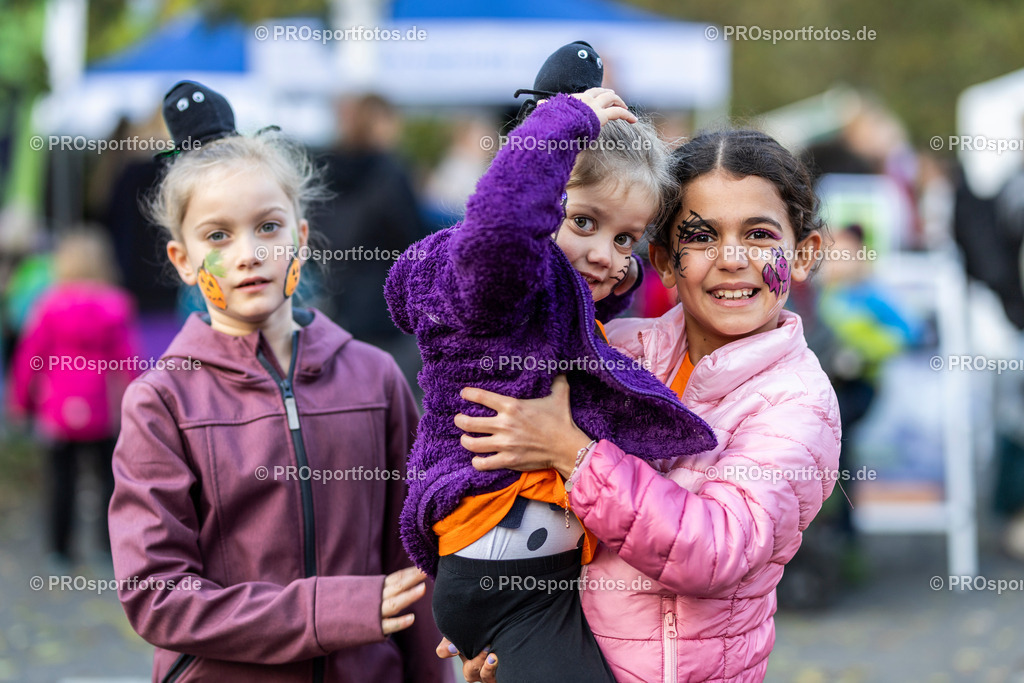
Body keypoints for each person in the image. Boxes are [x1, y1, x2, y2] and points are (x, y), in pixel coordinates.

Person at [446, 129, 843, 682]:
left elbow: (715, 549)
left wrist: (575, 455)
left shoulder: (798, 403)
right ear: (664, 261)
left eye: (757, 234)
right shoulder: (614, 348)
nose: (731, 259)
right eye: (701, 237)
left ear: (804, 254)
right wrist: (505, 630)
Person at [386, 42, 715, 682]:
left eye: (625, 238)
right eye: (583, 222)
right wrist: (565, 121)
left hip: (537, 582)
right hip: (507, 580)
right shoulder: (501, 291)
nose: (607, 255)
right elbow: (503, 227)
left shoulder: (566, 317)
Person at [106, 81, 450, 683]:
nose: (248, 253)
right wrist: (333, 609)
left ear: (301, 236)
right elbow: (157, 596)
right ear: (183, 259)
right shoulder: (161, 401)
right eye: (218, 235)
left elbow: (416, 562)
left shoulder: (376, 377)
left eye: (268, 227)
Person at [8, 227, 140, 568]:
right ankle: (108, 547)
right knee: (110, 480)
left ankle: (59, 549)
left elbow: (29, 360)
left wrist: (20, 403)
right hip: (103, 411)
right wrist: (140, 403)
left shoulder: (48, 309)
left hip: (57, 411)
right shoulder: (114, 309)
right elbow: (128, 360)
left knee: (60, 481)